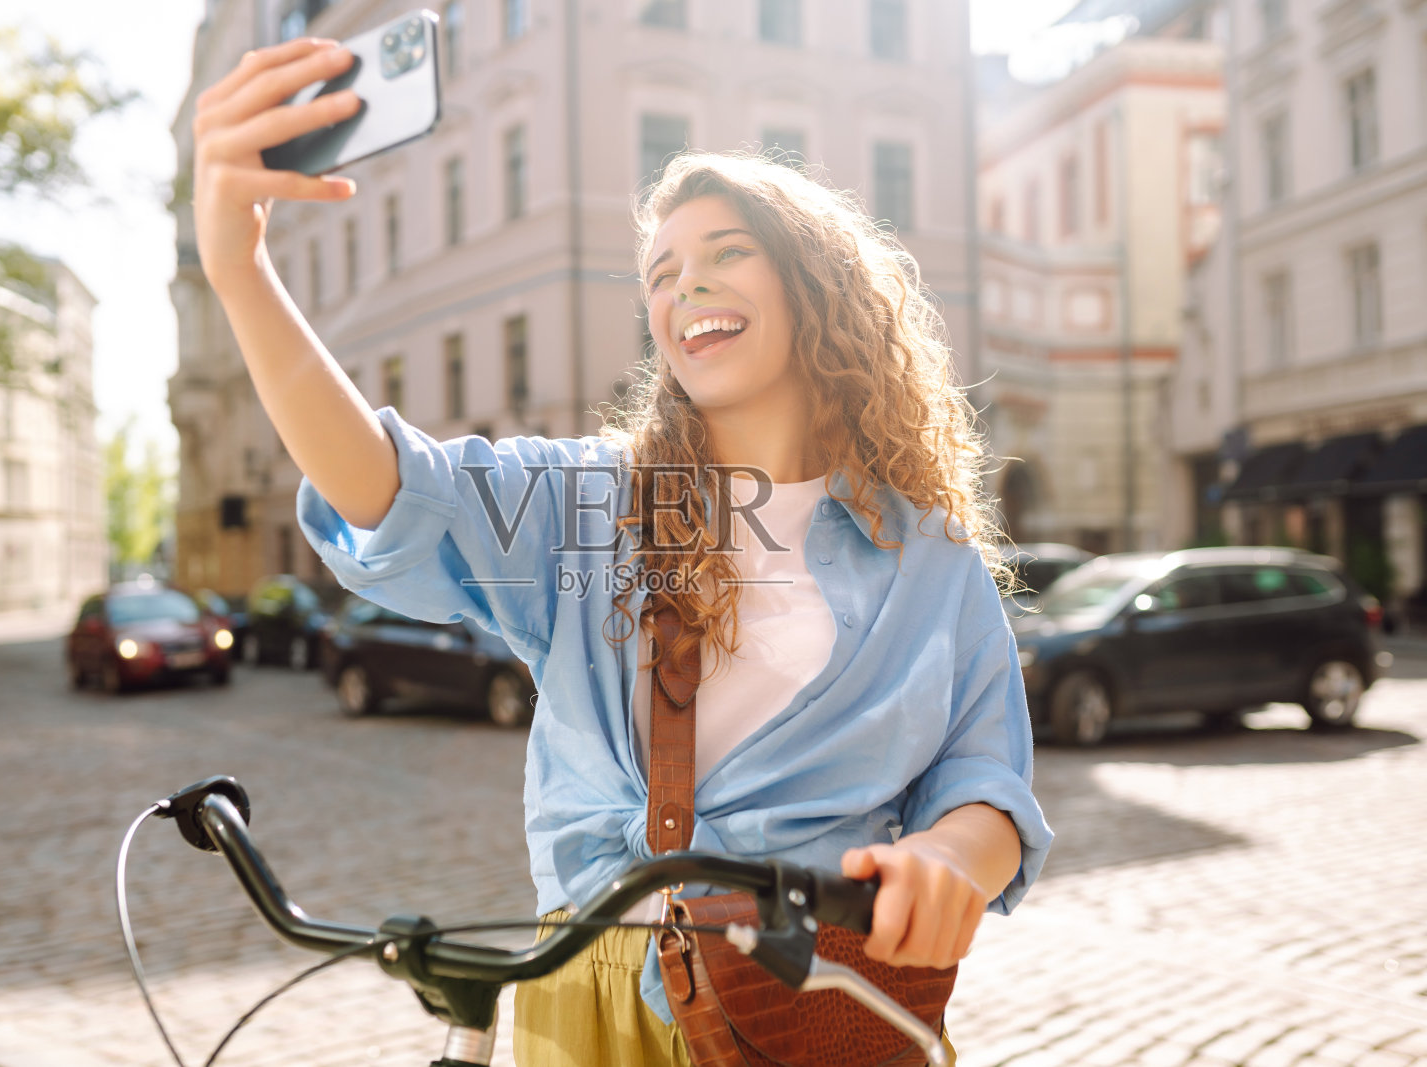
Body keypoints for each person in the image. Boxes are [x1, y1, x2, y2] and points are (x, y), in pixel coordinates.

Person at [192, 36, 1053, 1065]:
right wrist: (240, 275)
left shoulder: (930, 559)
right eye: (661, 272)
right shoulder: (583, 503)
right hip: (588, 995)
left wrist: (949, 855)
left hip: (808, 995)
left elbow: (985, 774)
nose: (686, 285)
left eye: (726, 251)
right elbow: (390, 487)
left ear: (817, 286)